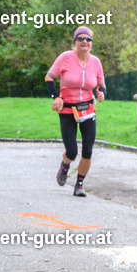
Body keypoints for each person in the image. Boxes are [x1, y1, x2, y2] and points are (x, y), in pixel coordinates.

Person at [46, 27, 105, 197]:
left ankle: (79, 184)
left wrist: (101, 92)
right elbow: (49, 77)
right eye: (81, 38)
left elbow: (101, 83)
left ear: (91, 44)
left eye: (88, 39)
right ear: (75, 42)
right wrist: (55, 97)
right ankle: (65, 164)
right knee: (71, 151)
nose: (84, 41)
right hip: (67, 109)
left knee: (88, 150)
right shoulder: (65, 58)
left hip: (87, 109)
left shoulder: (95, 62)